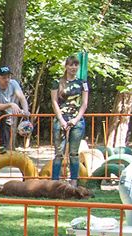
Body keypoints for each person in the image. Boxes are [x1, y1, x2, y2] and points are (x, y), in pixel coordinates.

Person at [50, 55, 89, 185]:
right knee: (58, 153)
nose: (73, 67)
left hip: (76, 121)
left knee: (74, 153)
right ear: (66, 66)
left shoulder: (82, 83)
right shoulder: (57, 82)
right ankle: (54, 183)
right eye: (71, 65)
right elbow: (54, 102)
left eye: (76, 65)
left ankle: (74, 183)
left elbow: (84, 103)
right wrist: (61, 120)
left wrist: (76, 119)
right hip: (60, 120)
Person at [0, 66, 30, 151]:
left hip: (7, 118)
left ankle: (5, 148)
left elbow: (22, 98)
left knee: (6, 127)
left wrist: (26, 111)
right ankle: (1, 145)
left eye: (9, 77)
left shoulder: (13, 83)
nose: (7, 80)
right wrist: (11, 104)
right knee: (2, 116)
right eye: (4, 78)